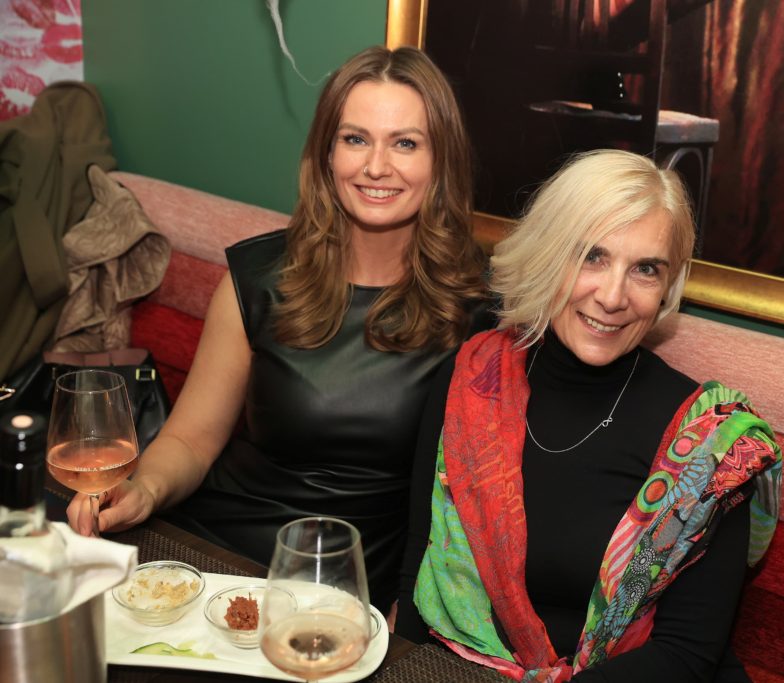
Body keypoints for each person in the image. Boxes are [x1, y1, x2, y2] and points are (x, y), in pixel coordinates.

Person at [66, 46, 491, 612]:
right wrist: (142, 488)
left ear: (442, 160)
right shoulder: (258, 278)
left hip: (348, 591)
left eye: (406, 143)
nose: (376, 166)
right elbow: (191, 440)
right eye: (355, 138)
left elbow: (470, 510)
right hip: (218, 555)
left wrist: (407, 612)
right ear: (326, 153)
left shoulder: (479, 309)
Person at [397, 149, 782, 680]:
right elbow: (420, 567)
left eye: (645, 269)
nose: (613, 296)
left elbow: (686, 655)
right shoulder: (471, 382)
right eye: (592, 256)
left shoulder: (711, 444)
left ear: (668, 286)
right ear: (548, 254)